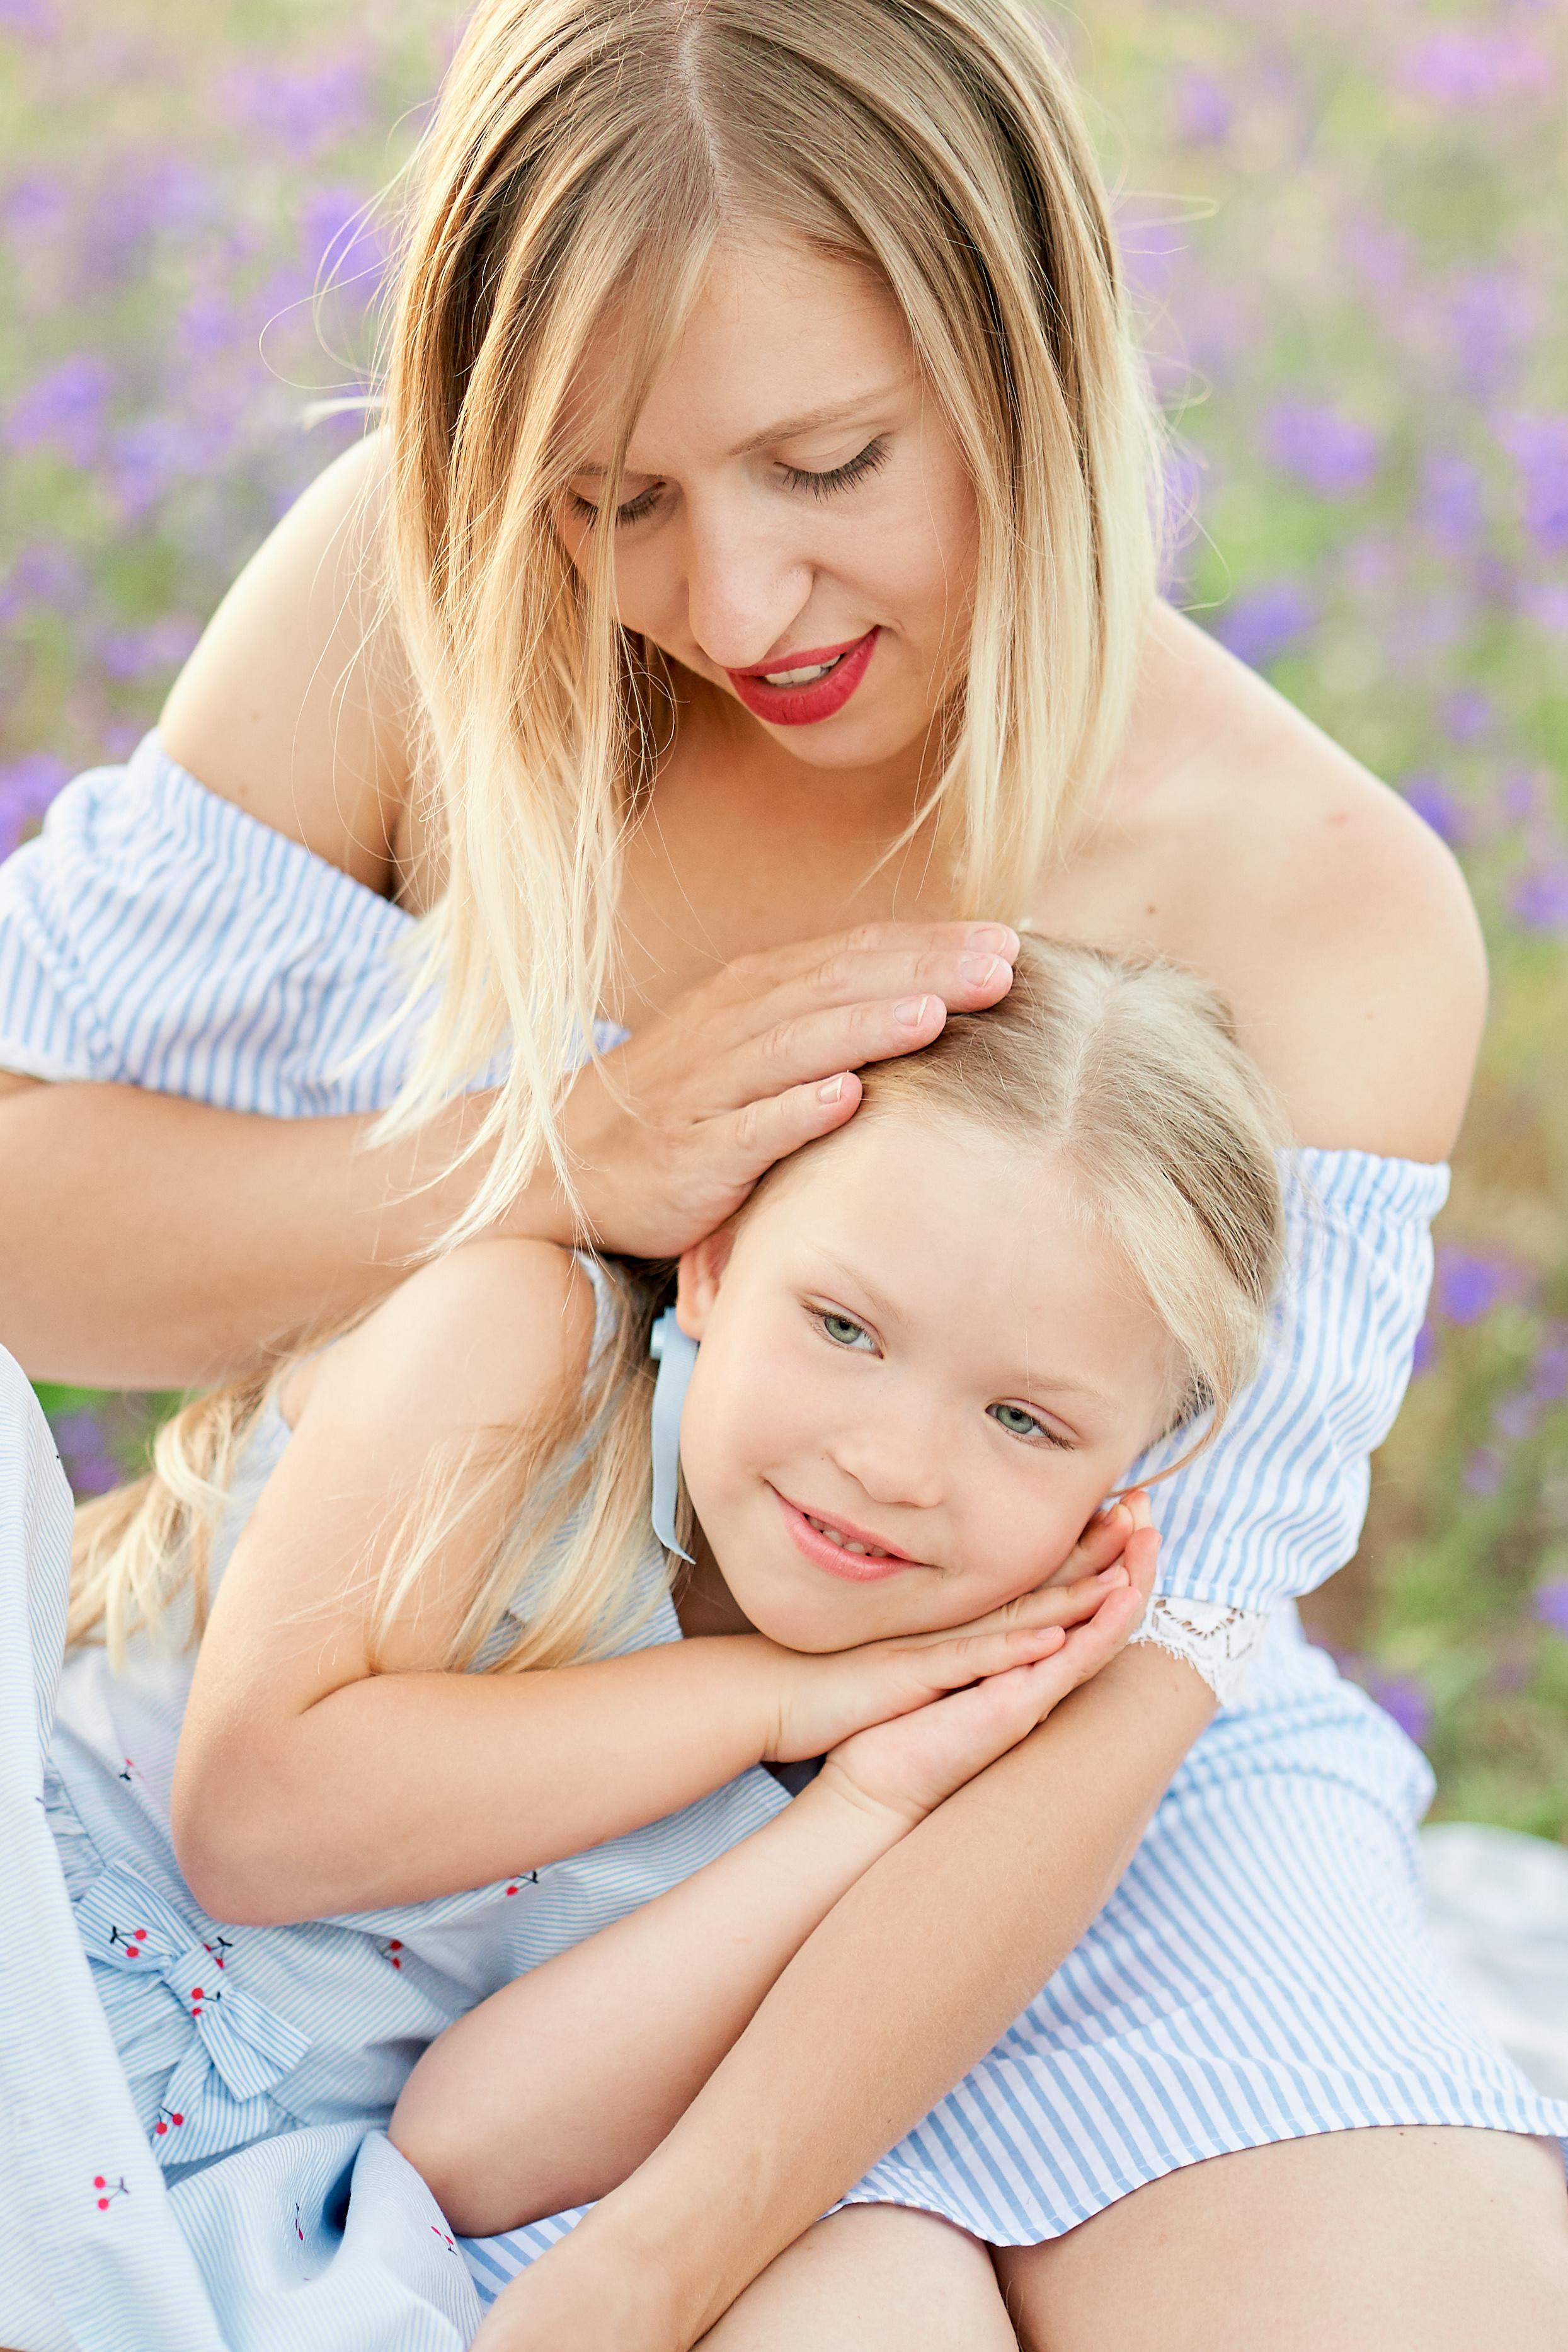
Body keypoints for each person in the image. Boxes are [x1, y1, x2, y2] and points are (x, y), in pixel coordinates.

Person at [0, 1, 1560, 2344]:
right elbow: (39, 1250)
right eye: (613, 500)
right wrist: (548, 1164)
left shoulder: (1322, 899)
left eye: (828, 463)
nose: (732, 611)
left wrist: (652, 2264)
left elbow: (1130, 1683)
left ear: (1038, 349)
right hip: (487, 1810)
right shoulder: (417, 604)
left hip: (1057, 1805)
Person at [25, 943, 1249, 2348]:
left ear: (1125, 1481)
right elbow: (253, 1824)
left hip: (224, 2190)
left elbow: (468, 2145)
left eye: (1024, 1421)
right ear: (717, 1266)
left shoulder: (891, 1744)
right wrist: (769, 1695)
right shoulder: (524, 1351)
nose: (894, 1461)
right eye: (845, 1326)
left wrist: (863, 1803)